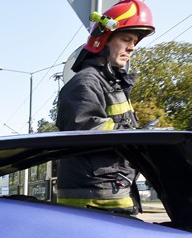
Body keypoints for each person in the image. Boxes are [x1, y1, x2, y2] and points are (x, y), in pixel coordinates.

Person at [56, 0, 155, 214]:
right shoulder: (85, 83)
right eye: (126, 39)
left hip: (111, 193)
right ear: (103, 40)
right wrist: (140, 138)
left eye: (135, 41)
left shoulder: (111, 84)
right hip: (94, 202)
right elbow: (86, 131)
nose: (132, 47)